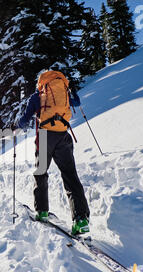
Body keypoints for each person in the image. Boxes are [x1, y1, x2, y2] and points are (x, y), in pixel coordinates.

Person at [14, 70, 90, 235]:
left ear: (40, 82)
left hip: (44, 137)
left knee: (41, 173)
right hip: (63, 136)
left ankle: (42, 212)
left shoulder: (37, 96)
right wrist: (72, 92)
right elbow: (76, 102)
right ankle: (81, 219)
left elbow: (25, 120)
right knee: (70, 176)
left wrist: (18, 124)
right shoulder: (64, 92)